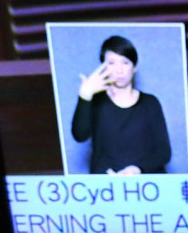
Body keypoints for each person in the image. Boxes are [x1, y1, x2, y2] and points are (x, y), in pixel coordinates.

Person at [71, 34, 172, 175]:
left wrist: (137, 169)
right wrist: (85, 96)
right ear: (103, 67)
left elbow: (163, 152)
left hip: (146, 186)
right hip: (106, 187)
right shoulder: (95, 101)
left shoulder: (150, 103)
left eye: (125, 62)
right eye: (111, 63)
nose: (119, 70)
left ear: (134, 67)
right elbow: (79, 135)